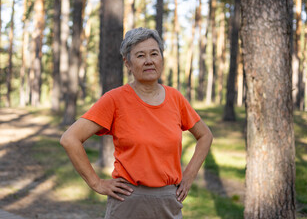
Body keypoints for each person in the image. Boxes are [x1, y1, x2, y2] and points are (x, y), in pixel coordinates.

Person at [60, 27, 213, 219]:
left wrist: (189, 176)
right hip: (128, 202)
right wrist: (96, 183)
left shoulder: (175, 98)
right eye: (140, 55)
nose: (149, 60)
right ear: (128, 63)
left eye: (154, 54)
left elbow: (205, 135)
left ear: (161, 59)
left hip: (169, 201)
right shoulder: (114, 100)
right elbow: (70, 138)